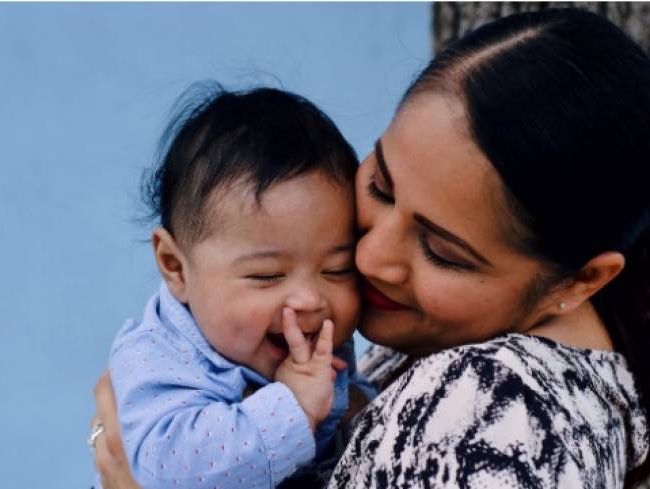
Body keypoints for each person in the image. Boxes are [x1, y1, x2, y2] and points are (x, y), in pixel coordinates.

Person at [91, 8, 650, 488]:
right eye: (379, 185)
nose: (367, 258)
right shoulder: (431, 340)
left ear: (582, 281)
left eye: (440, 249)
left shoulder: (500, 415)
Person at [91, 86, 376, 489]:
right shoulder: (157, 358)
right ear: (175, 267)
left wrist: (357, 410)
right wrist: (292, 406)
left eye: (337, 269)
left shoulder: (304, 339)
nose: (312, 300)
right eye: (267, 275)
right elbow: (170, 473)